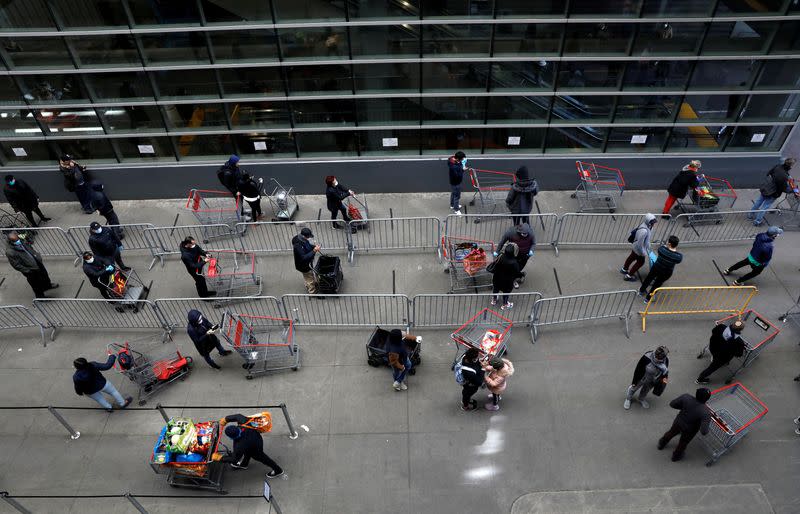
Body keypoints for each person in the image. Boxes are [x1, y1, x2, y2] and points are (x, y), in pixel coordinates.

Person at [214, 414, 284, 478]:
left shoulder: (239, 445)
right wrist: (226, 419)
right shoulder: (244, 423)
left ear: (231, 437)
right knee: (247, 452)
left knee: (263, 459)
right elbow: (237, 416)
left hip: (255, 448)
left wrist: (220, 458)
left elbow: (234, 459)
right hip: (257, 439)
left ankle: (278, 470)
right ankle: (244, 464)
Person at [658, 388, 712, 462]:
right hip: (690, 430)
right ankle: (676, 456)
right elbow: (704, 431)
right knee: (683, 442)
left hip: (679, 422)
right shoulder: (706, 412)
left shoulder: (686, 397)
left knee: (671, 432)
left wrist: (683, 408)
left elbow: (672, 404)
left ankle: (661, 444)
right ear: (707, 399)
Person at [5, 231, 58, 298]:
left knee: (44, 275)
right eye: (16, 240)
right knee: (36, 284)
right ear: (11, 242)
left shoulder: (21, 239)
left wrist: (36, 255)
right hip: (30, 270)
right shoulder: (10, 252)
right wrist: (27, 271)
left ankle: (47, 286)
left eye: (18, 239)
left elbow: (30, 244)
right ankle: (40, 297)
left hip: (36, 261)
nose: (18, 241)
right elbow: (16, 265)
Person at [696, 320, 745, 384]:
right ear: (741, 330)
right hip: (722, 357)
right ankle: (700, 379)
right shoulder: (739, 341)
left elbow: (713, 331)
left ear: (732, 324)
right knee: (712, 367)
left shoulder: (721, 327)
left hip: (713, 347)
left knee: (714, 359)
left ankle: (713, 357)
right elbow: (739, 354)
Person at [750, 157, 795, 226]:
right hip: (773, 193)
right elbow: (783, 188)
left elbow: (769, 173)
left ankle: (750, 215)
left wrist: (787, 176)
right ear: (790, 166)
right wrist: (792, 190)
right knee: (765, 207)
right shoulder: (784, 176)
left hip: (766, 188)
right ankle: (757, 221)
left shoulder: (778, 166)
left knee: (759, 201)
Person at [624, 346, 669, 410]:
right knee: (633, 388)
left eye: (660, 359)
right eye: (657, 358)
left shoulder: (665, 360)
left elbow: (665, 372)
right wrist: (634, 381)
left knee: (645, 390)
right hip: (642, 378)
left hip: (652, 380)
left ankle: (641, 399)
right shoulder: (647, 357)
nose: (659, 361)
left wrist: (659, 382)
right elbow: (638, 369)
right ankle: (628, 399)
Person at [639, 235, 682, 302]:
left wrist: (666, 246)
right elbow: (679, 260)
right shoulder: (678, 256)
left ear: (669, 244)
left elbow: (660, 249)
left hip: (656, 267)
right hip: (666, 272)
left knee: (649, 278)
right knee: (657, 284)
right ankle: (648, 299)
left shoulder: (662, 250)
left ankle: (641, 291)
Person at [496, 223, 535, 288]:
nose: (525, 235)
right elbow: (502, 242)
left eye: (526, 234)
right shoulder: (510, 232)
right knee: (511, 268)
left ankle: (516, 277)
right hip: (513, 254)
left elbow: (533, 243)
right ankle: (519, 276)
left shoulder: (530, 233)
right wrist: (497, 251)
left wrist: (531, 251)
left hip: (525, 255)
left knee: (518, 268)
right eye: (523, 233)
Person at [620, 213, 657, 282]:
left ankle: (624, 269)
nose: (653, 224)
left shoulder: (647, 226)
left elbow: (646, 240)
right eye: (652, 222)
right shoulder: (644, 231)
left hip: (636, 247)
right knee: (640, 262)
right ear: (648, 222)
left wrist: (648, 246)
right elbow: (640, 243)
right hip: (639, 249)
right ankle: (629, 275)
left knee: (631, 257)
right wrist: (643, 252)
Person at [489, 243, 523, 310]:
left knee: (496, 289)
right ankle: (505, 304)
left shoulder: (500, 256)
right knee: (506, 293)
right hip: (507, 281)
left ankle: (494, 300)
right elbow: (517, 272)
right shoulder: (514, 262)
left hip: (497, 278)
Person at [292, 228, 320, 294]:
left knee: (309, 275)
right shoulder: (298, 245)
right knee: (309, 277)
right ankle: (312, 291)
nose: (309, 238)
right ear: (304, 236)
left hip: (307, 263)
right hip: (303, 265)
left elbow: (308, 246)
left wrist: (313, 247)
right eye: (308, 237)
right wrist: (314, 250)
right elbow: (304, 257)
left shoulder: (300, 238)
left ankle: (310, 283)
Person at [447, 151, 467, 215]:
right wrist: (463, 170)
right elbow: (458, 175)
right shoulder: (455, 166)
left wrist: (461, 166)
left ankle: (452, 205)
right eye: (462, 158)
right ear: (458, 158)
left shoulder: (452, 161)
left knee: (453, 193)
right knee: (457, 196)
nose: (463, 160)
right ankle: (456, 210)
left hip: (453, 182)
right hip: (456, 183)